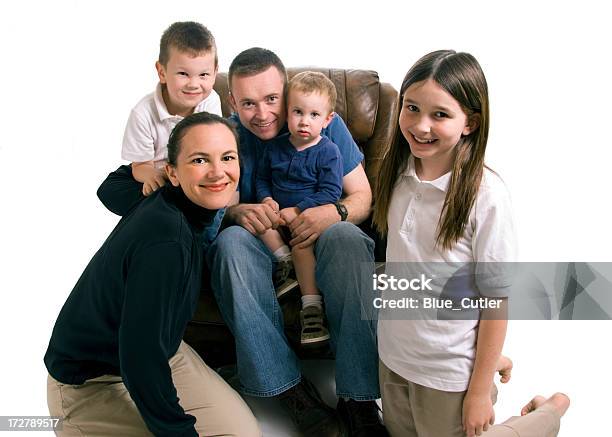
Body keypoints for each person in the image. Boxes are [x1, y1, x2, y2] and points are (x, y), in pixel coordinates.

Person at [44, 112, 260, 437]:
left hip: (163, 351)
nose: (218, 172)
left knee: (243, 433)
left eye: (227, 157)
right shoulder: (166, 242)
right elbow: (139, 358)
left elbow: (116, 183)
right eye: (200, 160)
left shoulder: (170, 199)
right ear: (172, 172)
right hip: (90, 383)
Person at [207, 47, 386, 436]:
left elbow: (362, 198)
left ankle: (359, 399)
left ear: (287, 93)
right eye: (248, 104)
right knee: (230, 244)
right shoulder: (228, 134)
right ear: (232, 103)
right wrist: (240, 213)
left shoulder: (318, 121)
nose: (264, 114)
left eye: (273, 100)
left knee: (348, 237)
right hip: (265, 240)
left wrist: (332, 212)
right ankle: (290, 391)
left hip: (320, 231)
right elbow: (224, 206)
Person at [372, 50, 516, 437]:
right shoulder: (396, 173)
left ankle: (547, 411)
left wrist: (479, 391)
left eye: (440, 115)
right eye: (412, 108)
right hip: (395, 359)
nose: (420, 126)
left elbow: (495, 300)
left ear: (469, 123)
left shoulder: (486, 197)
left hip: (447, 376)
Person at [255, 71, 343, 345]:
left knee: (302, 245)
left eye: (314, 115)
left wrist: (300, 209)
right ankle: (285, 263)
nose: (304, 121)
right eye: (297, 112)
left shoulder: (329, 152)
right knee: (259, 223)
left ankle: (311, 307)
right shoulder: (275, 148)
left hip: (306, 217)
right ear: (286, 112)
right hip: (277, 213)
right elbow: (262, 179)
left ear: (328, 119)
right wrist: (266, 199)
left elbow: (331, 192)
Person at [121, 21, 222, 196]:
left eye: (204, 75)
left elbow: (212, 148)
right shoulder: (143, 113)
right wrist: (156, 177)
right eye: (183, 74)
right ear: (162, 72)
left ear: (215, 72)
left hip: (197, 173)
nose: (194, 84)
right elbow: (139, 167)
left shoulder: (211, 100)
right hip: (164, 177)